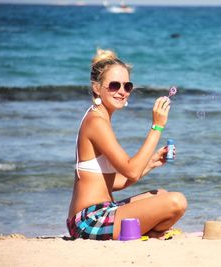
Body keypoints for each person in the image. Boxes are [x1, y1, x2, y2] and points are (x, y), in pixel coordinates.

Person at [67, 49, 187, 240]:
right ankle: (151, 232)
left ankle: (150, 232)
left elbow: (115, 182)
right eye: (114, 85)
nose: (122, 92)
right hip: (89, 221)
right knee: (176, 201)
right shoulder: (96, 122)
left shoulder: (99, 117)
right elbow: (131, 171)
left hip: (104, 210)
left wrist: (151, 163)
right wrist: (157, 126)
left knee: (161, 194)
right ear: (97, 88)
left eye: (127, 86)